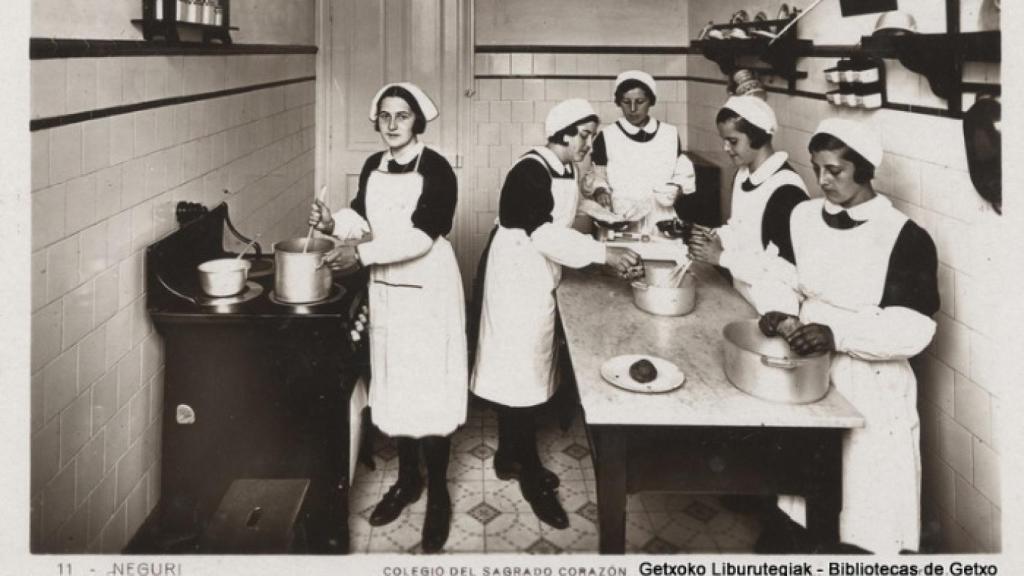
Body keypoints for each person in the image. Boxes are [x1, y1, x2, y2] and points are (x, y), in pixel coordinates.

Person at [758, 118, 940, 554]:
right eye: (817, 168)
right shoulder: (802, 216)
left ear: (863, 169)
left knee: (865, 505)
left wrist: (836, 334)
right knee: (806, 494)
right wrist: (782, 314)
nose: (822, 180)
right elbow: (778, 274)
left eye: (834, 170)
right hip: (809, 368)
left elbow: (914, 328)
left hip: (870, 382)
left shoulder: (904, 236)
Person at [308, 82, 466, 554]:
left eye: (402, 116)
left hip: (428, 293)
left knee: (430, 393)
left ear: (417, 121)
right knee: (396, 389)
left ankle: (437, 494)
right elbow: (363, 214)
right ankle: (407, 481)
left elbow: (423, 234)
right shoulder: (373, 166)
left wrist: (361, 256)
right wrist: (335, 222)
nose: (392, 124)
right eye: (385, 116)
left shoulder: (436, 169)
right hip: (388, 292)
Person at [471, 99, 641, 528]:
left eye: (591, 135)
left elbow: (566, 209)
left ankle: (510, 455)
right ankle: (527, 469)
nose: (589, 142)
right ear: (562, 133)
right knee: (520, 371)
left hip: (535, 274)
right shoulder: (529, 170)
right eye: (583, 134)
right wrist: (605, 253)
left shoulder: (562, 168)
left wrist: (600, 212)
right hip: (515, 278)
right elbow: (544, 232)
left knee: (526, 368)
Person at [688, 95, 809, 316]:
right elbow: (740, 229)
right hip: (744, 296)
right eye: (724, 140)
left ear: (757, 136)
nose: (725, 147)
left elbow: (789, 271)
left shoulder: (786, 191)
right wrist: (715, 237)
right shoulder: (743, 174)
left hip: (776, 310)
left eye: (733, 141)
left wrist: (721, 257)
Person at [584, 70, 696, 234]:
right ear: (618, 102)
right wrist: (601, 190)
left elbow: (682, 173)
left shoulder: (669, 134)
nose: (633, 108)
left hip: (661, 218)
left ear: (651, 101)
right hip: (621, 218)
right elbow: (598, 175)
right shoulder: (607, 136)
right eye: (626, 102)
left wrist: (678, 188)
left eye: (640, 101)